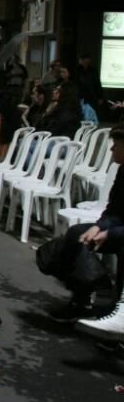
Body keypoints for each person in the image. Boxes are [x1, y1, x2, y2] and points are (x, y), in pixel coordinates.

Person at [45, 125, 124, 324]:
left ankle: (117, 311)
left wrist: (110, 234)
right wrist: (99, 227)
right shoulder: (123, 171)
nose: (112, 149)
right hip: (118, 228)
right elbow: (113, 209)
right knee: (77, 235)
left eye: (117, 145)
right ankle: (84, 298)